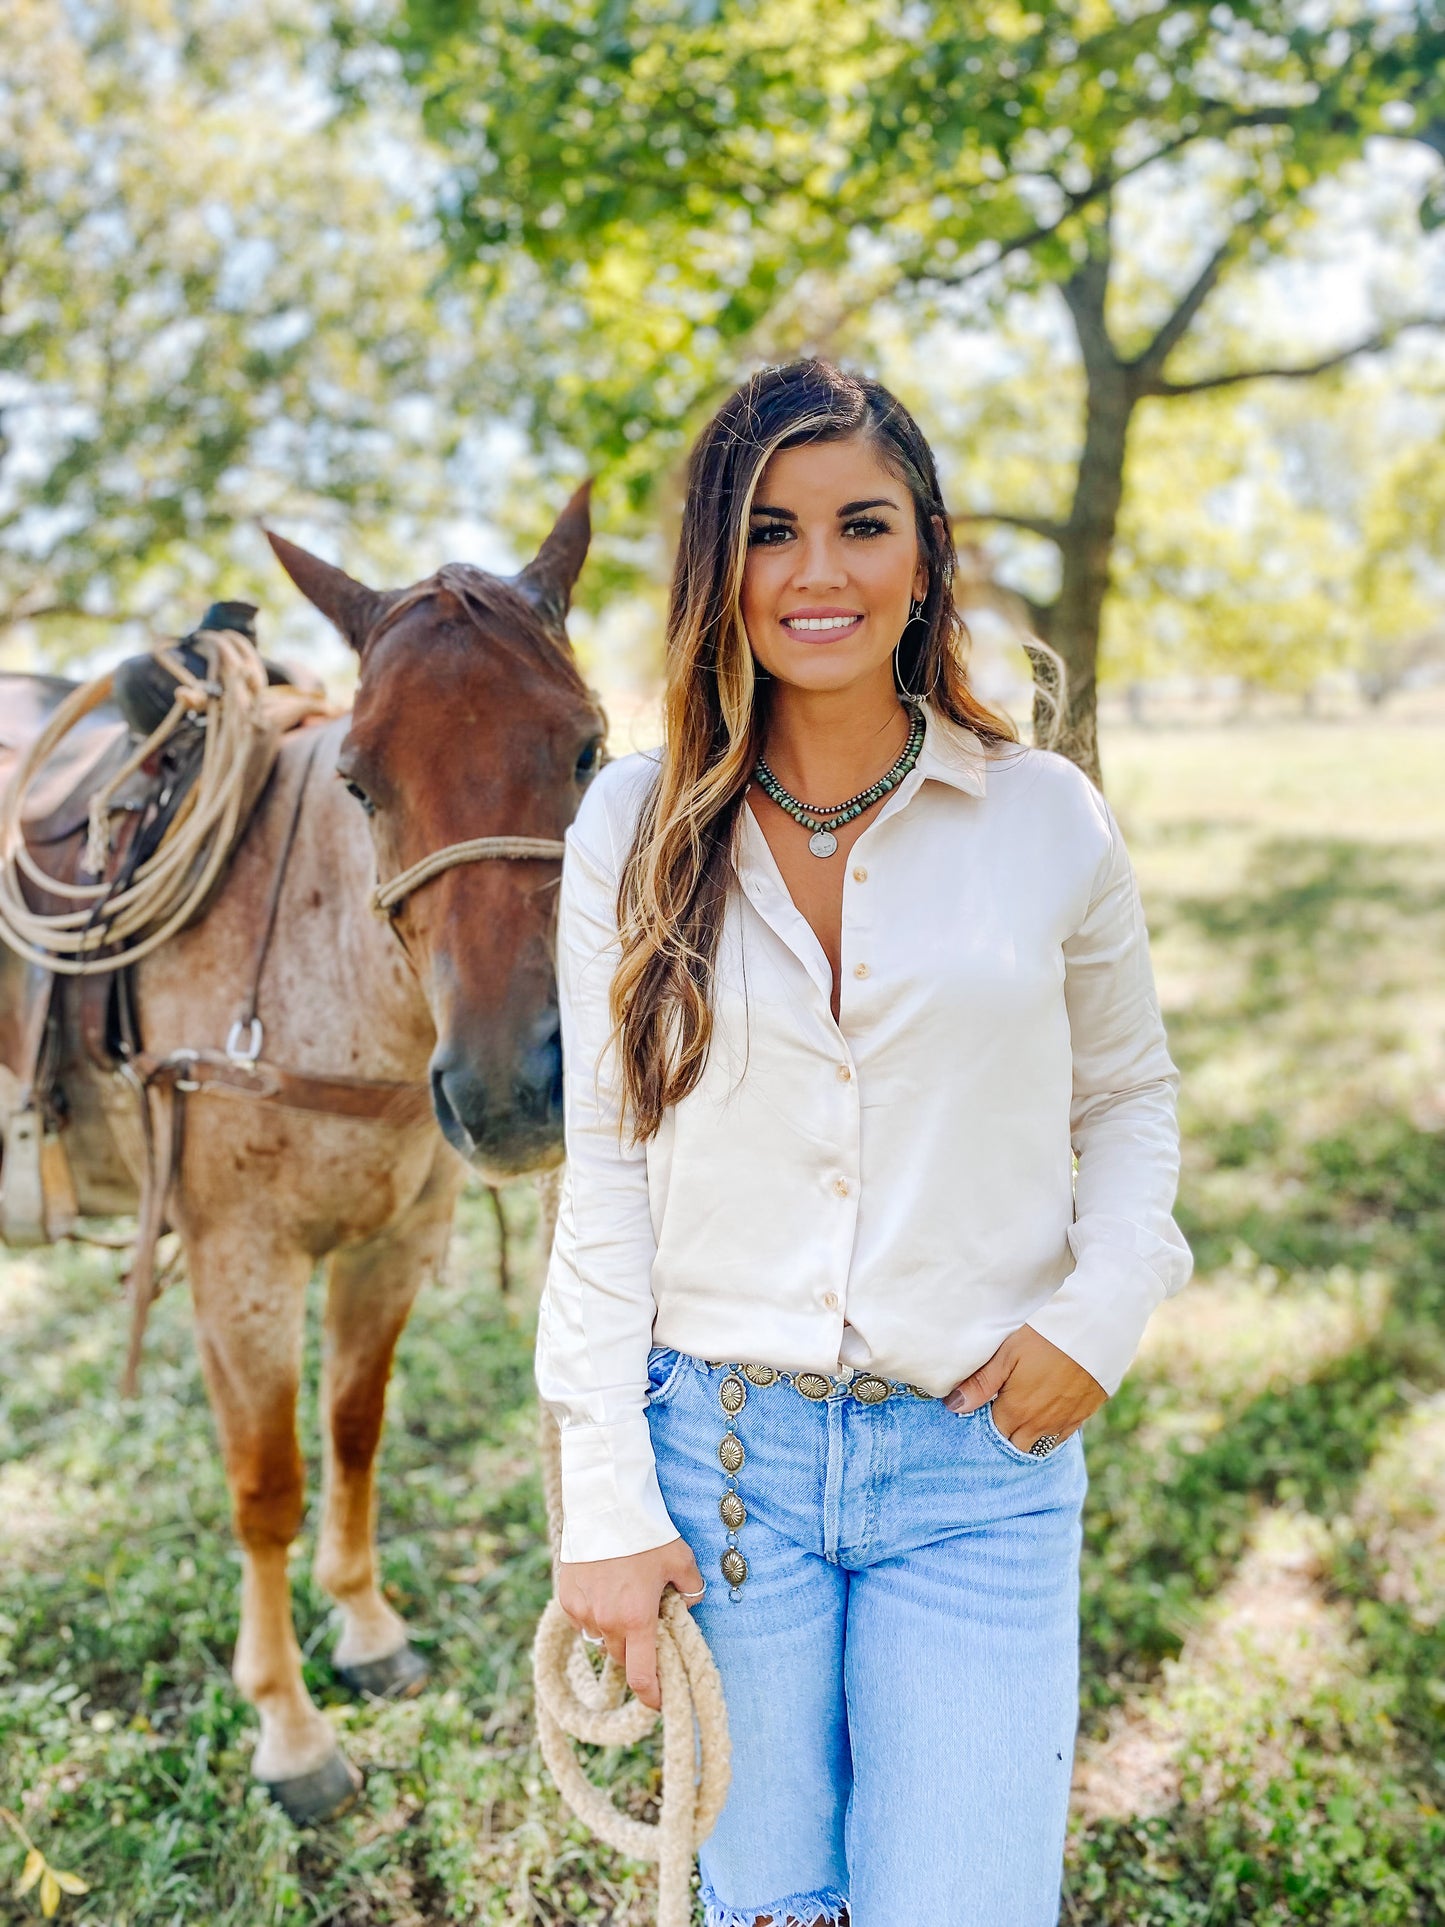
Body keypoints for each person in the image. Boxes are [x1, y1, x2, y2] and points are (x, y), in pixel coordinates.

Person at [534, 358, 1191, 1927]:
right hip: (722, 1472)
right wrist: (606, 1505)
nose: (816, 573)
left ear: (923, 553)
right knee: (770, 1907)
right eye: (768, 532)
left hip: (980, 1467)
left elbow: (1132, 1101)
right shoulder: (630, 826)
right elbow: (605, 1169)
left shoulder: (1044, 817)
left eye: (860, 525)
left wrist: (1101, 1313)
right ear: (715, 569)